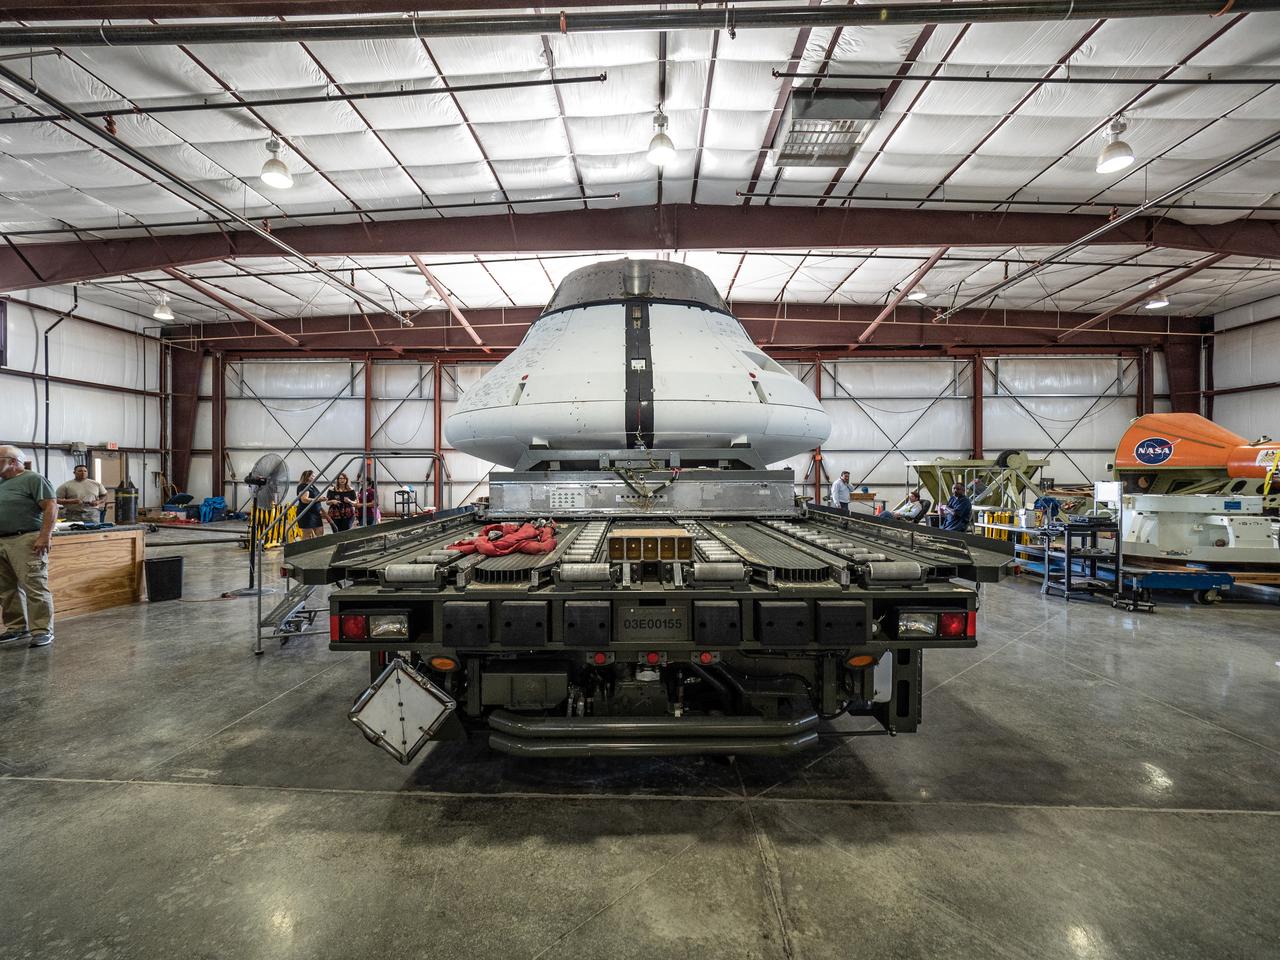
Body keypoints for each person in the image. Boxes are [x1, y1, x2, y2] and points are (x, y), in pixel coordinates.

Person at [0, 445, 57, 648]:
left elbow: (51, 506)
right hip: (2, 540)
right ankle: (16, 627)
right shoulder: (2, 483)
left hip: (25, 539)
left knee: (34, 584)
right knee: (5, 589)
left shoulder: (33, 479)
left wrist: (45, 536)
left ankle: (42, 630)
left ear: (13, 461)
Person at [294, 470, 326, 540]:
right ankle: (305, 549)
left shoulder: (312, 486)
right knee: (307, 534)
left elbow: (316, 498)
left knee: (320, 532)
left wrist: (321, 510)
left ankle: (318, 548)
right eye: (313, 476)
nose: (315, 477)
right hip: (307, 513)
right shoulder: (303, 486)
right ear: (308, 477)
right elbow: (304, 500)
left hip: (315, 513)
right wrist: (318, 499)